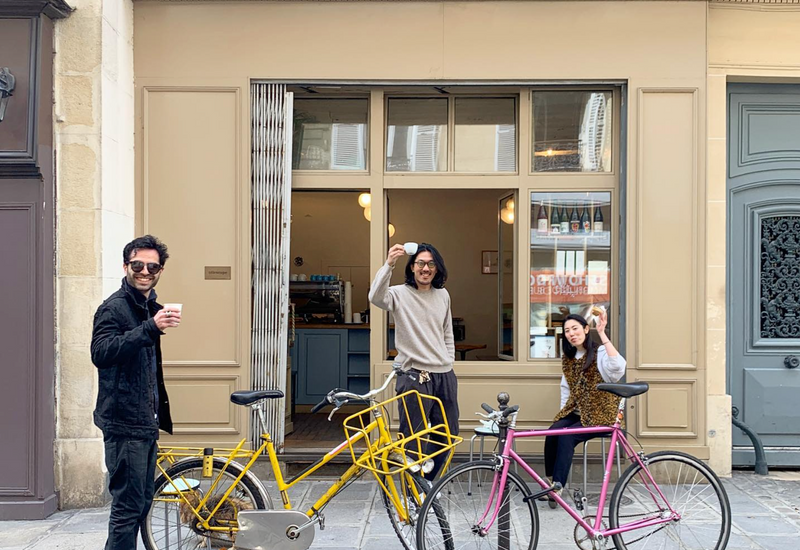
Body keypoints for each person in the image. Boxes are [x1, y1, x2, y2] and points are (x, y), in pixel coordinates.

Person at [91, 235, 179, 550]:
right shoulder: (114, 308)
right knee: (128, 508)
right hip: (124, 422)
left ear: (160, 270)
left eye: (152, 266)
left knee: (141, 502)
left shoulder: (147, 306)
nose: (145, 271)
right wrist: (150, 328)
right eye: (138, 265)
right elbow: (101, 353)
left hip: (144, 422)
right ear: (126, 265)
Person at [368, 242, 458, 479]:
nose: (425, 268)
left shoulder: (443, 295)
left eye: (430, 264)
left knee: (447, 434)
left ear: (437, 269)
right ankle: (413, 492)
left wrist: (449, 360)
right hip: (413, 376)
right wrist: (389, 263)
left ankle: (428, 484)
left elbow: (447, 332)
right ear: (412, 267)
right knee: (413, 438)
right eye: (420, 263)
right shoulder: (398, 294)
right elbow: (375, 297)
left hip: (444, 375)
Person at [542, 311, 626, 508]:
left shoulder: (600, 352)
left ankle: (558, 488)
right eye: (567, 331)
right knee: (553, 431)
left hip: (601, 414)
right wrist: (563, 414)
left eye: (575, 329)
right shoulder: (569, 358)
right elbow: (566, 388)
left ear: (586, 330)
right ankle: (550, 481)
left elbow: (618, 368)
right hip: (579, 412)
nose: (571, 333)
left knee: (567, 436)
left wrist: (602, 333)